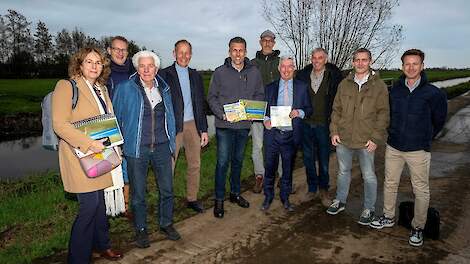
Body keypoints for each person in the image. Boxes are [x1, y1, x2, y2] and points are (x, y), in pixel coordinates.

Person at [52, 47, 123, 263]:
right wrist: (89, 144)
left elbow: (108, 120)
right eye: (89, 62)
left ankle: (102, 246)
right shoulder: (66, 86)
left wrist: (115, 143)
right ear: (79, 65)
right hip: (79, 156)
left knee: (99, 204)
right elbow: (59, 124)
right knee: (89, 207)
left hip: (103, 154)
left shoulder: (101, 88)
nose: (94, 66)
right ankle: (78, 258)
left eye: (98, 62)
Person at [369, 49, 447, 247]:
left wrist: (426, 138)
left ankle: (418, 227)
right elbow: (387, 115)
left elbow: (439, 120)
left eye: (415, 63)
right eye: (407, 64)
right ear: (402, 66)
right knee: (390, 183)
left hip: (418, 150)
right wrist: (391, 132)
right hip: (394, 146)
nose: (411, 67)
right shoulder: (395, 90)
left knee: (420, 189)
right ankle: (388, 217)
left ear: (422, 66)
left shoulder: (433, 93)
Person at [112, 50, 181, 248]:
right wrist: (120, 145)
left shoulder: (164, 88)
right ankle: (141, 229)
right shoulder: (126, 88)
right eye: (142, 66)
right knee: (138, 194)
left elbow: (171, 117)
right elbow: (116, 118)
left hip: (161, 147)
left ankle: (166, 223)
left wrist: (171, 144)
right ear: (137, 68)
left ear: (156, 68)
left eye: (150, 66)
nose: (146, 69)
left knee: (167, 190)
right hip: (136, 149)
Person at [327, 48, 389, 226]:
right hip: (344, 138)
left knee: (368, 175)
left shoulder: (379, 86)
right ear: (352, 62)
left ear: (370, 61)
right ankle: (340, 200)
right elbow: (336, 110)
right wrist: (334, 131)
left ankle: (369, 208)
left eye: (364, 60)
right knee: (343, 171)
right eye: (357, 60)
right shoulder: (344, 84)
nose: (360, 63)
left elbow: (383, 114)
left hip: (366, 140)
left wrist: (376, 138)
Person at [207, 36, 264, 218]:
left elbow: (259, 95)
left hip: (243, 126)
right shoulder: (219, 72)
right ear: (229, 51)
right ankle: (219, 199)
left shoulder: (254, 72)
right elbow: (212, 98)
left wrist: (253, 110)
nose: (237, 53)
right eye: (234, 50)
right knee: (223, 163)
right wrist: (221, 114)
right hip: (224, 126)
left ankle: (235, 193)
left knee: (238, 162)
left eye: (241, 50)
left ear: (245, 52)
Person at [160, 39, 208, 213]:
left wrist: (203, 129)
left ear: (191, 55)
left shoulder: (196, 75)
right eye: (180, 52)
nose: (184, 56)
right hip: (173, 125)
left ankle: (192, 198)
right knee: (169, 165)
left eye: (187, 52)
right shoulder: (164, 75)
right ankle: (166, 202)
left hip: (193, 125)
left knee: (195, 164)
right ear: (174, 54)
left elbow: (200, 104)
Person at [261, 56, 312, 212]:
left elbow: (309, 109)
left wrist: (299, 112)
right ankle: (268, 197)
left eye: (290, 66)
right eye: (283, 66)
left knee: (288, 170)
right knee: (269, 168)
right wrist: (266, 120)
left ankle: (285, 198)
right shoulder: (269, 87)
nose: (286, 69)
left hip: (291, 135)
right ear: (279, 68)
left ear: (294, 68)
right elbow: (263, 109)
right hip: (272, 135)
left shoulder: (302, 87)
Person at [296, 48, 343, 207]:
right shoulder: (303, 77)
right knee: (308, 159)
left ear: (326, 59)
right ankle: (312, 188)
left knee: (324, 160)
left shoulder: (333, 77)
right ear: (311, 59)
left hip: (324, 125)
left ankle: (324, 190)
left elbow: (339, 102)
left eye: (320, 58)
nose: (317, 61)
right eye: (314, 58)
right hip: (306, 125)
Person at [106, 35, 136, 218]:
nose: (120, 52)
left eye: (123, 49)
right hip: (109, 125)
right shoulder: (103, 72)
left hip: (129, 124)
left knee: (127, 166)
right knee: (108, 166)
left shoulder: (133, 72)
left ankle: (125, 205)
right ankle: (108, 207)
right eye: (116, 49)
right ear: (109, 51)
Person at [250, 30, 281, 193]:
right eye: (265, 40)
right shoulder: (252, 63)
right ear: (260, 42)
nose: (267, 43)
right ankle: (259, 176)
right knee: (257, 146)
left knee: (280, 144)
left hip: (277, 110)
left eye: (270, 40)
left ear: (274, 43)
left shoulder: (281, 62)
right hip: (257, 110)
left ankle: (282, 177)